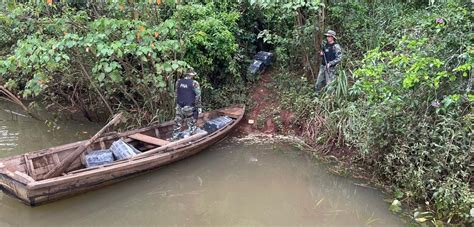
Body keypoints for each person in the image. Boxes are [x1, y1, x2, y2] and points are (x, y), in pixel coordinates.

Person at [172, 69, 202, 140]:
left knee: (177, 124)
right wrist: (198, 107)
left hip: (179, 106)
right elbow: (198, 96)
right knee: (192, 125)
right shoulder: (194, 83)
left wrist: (178, 103)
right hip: (189, 107)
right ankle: (191, 140)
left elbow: (176, 94)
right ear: (191, 75)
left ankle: (174, 139)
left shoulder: (178, 82)